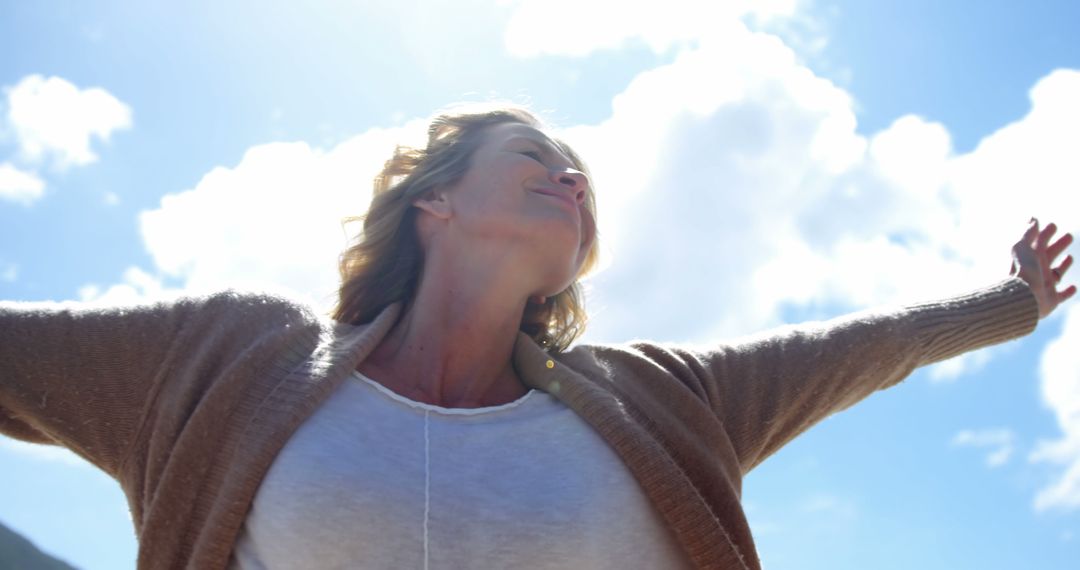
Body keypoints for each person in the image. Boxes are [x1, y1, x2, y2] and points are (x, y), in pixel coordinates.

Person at [0, 104, 1074, 570]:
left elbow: (851, 351)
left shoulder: (655, 400)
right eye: (535, 153)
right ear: (435, 202)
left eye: (582, 172)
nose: (573, 174)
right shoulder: (235, 360)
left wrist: (1009, 303)